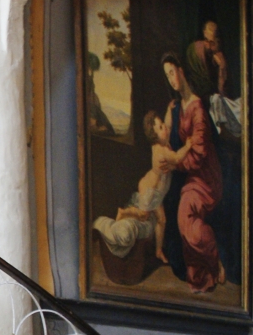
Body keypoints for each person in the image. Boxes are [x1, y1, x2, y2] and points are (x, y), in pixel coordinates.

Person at [160, 52, 224, 293]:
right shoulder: (180, 106)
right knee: (178, 213)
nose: (171, 79)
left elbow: (198, 154)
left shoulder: (198, 109)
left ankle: (213, 260)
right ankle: (201, 270)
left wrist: (176, 165)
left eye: (172, 72)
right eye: (167, 76)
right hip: (191, 175)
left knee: (185, 216)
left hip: (206, 176)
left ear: (181, 70)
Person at [94, 111, 191, 261]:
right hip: (150, 192)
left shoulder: (163, 143)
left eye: (162, 125)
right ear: (154, 135)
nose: (164, 128)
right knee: (144, 215)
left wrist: (170, 111)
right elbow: (178, 158)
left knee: (162, 220)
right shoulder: (161, 150)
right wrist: (189, 146)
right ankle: (124, 213)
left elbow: (169, 125)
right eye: (160, 128)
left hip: (156, 194)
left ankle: (158, 251)